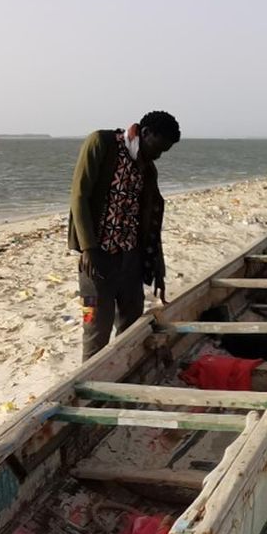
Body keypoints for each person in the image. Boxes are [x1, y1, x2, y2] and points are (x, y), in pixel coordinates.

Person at [68, 110, 181, 359]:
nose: (159, 156)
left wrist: (158, 270)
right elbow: (79, 196)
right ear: (146, 133)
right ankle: (91, 390)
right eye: (158, 147)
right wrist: (88, 248)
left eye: (165, 152)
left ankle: (120, 379)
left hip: (131, 260)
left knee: (130, 327)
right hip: (96, 261)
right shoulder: (101, 143)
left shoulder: (148, 169)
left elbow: (151, 222)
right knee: (96, 328)